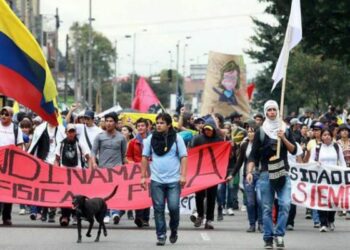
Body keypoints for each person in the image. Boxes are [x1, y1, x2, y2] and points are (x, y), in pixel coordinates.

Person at [246, 100, 297, 249]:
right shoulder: (260, 132)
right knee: (267, 207)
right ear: (265, 112)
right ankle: (268, 237)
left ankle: (279, 235)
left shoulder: (285, 129)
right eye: (269, 110)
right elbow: (253, 156)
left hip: (283, 172)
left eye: (274, 110)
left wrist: (284, 138)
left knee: (285, 204)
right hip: (266, 173)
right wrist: (249, 171)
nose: (272, 112)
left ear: (278, 111)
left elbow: (294, 150)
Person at [141, 113, 187, 246]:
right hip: (156, 180)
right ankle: (161, 235)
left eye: (161, 123)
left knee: (173, 207)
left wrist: (183, 175)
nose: (158, 125)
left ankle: (173, 230)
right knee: (158, 208)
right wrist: (143, 176)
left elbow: (184, 157)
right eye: (157, 123)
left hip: (173, 180)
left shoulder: (177, 139)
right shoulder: (150, 139)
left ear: (168, 125)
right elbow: (144, 157)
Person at [28, 108, 66, 222]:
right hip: (42, 162)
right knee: (43, 188)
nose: (51, 116)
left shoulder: (61, 129)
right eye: (49, 114)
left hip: (57, 163)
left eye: (53, 114)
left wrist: (59, 161)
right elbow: (34, 147)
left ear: (57, 115)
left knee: (55, 188)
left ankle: (52, 212)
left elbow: (64, 146)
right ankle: (44, 211)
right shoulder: (39, 129)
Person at [91, 112, 127, 225]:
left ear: (116, 123)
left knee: (115, 192)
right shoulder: (99, 136)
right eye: (107, 121)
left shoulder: (121, 137)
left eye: (111, 121)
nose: (108, 123)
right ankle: (105, 213)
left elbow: (123, 155)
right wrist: (94, 163)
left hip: (117, 170)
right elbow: (93, 152)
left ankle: (115, 212)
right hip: (103, 170)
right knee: (104, 193)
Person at [190, 123, 226, 229]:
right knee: (199, 196)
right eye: (205, 130)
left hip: (213, 173)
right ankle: (200, 216)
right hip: (200, 171)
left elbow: (224, 154)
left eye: (209, 130)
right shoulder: (197, 139)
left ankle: (209, 219)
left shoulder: (219, 140)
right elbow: (192, 153)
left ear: (213, 130)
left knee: (211, 196)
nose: (207, 132)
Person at [310, 128, 346, 232]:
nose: (327, 136)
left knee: (333, 200)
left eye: (328, 135)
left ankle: (331, 219)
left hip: (334, 179)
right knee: (321, 201)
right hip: (321, 179)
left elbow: (342, 162)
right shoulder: (317, 148)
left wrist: (343, 173)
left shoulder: (336, 146)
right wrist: (315, 163)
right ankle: (323, 223)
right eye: (324, 135)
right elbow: (311, 160)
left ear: (332, 136)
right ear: (321, 137)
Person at [55, 123, 90, 226]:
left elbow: (88, 157)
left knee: (77, 196)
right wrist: (56, 171)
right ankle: (65, 216)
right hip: (64, 174)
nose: (71, 134)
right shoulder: (61, 144)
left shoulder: (80, 144)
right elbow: (57, 159)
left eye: (73, 131)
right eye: (69, 131)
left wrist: (91, 170)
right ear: (66, 132)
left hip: (77, 174)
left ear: (75, 133)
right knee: (65, 195)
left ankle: (75, 215)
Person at [233, 124, 263, 233]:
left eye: (253, 131)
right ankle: (252, 224)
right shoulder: (244, 145)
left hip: (260, 175)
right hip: (248, 176)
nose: (250, 133)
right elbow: (240, 161)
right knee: (250, 202)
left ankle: (261, 224)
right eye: (249, 131)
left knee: (260, 200)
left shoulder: (262, 145)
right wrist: (232, 174)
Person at [0, 106, 24, 225]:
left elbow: (19, 145)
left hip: (10, 164)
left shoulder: (15, 128)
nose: (3, 116)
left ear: (11, 116)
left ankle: (6, 217)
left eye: (6, 114)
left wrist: (19, 159)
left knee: (8, 189)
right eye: (2, 113)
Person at [126, 118, 151, 228]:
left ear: (147, 127)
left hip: (150, 170)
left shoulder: (152, 140)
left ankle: (146, 218)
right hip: (136, 171)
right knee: (138, 193)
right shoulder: (132, 142)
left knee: (148, 194)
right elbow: (128, 156)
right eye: (138, 126)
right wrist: (133, 163)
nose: (140, 128)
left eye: (142, 126)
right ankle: (138, 217)